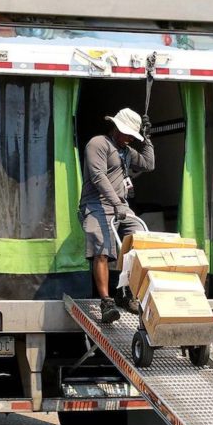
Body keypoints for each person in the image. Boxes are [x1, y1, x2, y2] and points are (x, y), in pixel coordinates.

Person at [78, 107, 154, 323]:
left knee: (139, 239)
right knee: (101, 248)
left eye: (133, 135)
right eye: (127, 133)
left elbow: (149, 164)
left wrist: (147, 139)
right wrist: (117, 203)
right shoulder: (98, 144)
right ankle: (106, 301)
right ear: (116, 127)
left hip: (120, 205)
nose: (130, 138)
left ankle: (125, 293)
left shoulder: (127, 151)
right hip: (96, 204)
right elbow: (98, 177)